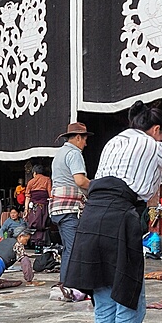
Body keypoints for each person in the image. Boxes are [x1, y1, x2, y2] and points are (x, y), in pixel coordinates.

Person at [64, 102, 162, 323]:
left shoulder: (113, 141)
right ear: (156, 129)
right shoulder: (154, 145)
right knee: (129, 295)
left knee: (103, 295)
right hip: (121, 215)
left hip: (91, 215)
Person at [49, 123, 92, 286]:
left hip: (59, 208)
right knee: (75, 248)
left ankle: (66, 282)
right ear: (78, 137)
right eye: (85, 139)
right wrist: (96, 185)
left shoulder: (60, 154)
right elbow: (80, 181)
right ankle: (69, 284)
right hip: (69, 207)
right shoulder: (74, 154)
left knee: (69, 247)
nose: (85, 144)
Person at [24, 165, 52, 251]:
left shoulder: (31, 182)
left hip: (34, 207)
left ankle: (36, 245)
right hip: (44, 206)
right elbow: (50, 194)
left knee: (34, 225)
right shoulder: (47, 180)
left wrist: (26, 209)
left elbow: (28, 196)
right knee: (43, 224)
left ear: (34, 173)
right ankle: (41, 244)